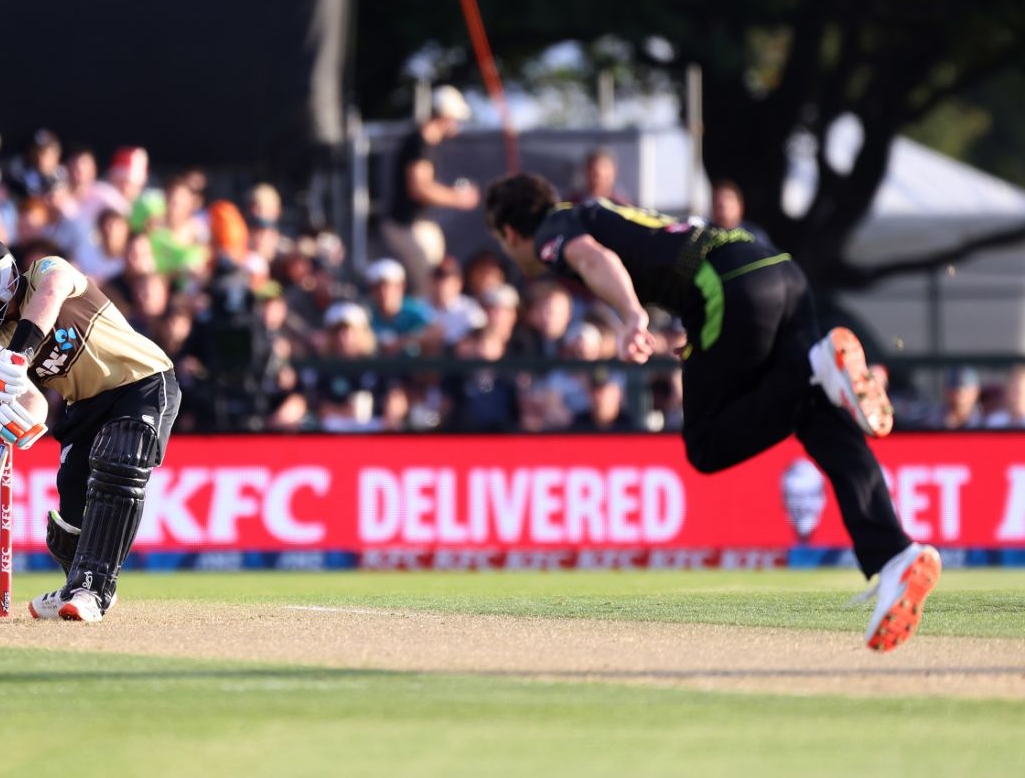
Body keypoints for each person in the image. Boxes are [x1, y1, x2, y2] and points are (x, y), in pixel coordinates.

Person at [483, 171, 940, 653]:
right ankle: (893, 553)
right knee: (818, 418)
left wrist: (632, 316)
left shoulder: (554, 230)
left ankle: (812, 369)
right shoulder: (594, 210)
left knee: (707, 443)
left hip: (724, 284)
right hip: (777, 267)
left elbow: (594, 258)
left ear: (509, 232)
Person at [0, 233, 179, 622]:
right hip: (83, 406)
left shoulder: (47, 271)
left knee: (120, 460)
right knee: (69, 512)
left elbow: (52, 294)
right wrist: (18, 420)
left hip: (140, 381)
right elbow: (33, 401)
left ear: (3, 275)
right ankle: (77, 585)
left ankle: (94, 590)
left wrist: (20, 354)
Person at [382, 85, 481, 295]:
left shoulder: (426, 144)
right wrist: (459, 198)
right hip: (407, 225)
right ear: (445, 116)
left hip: (417, 225)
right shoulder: (419, 143)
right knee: (429, 287)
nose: (457, 124)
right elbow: (419, 188)